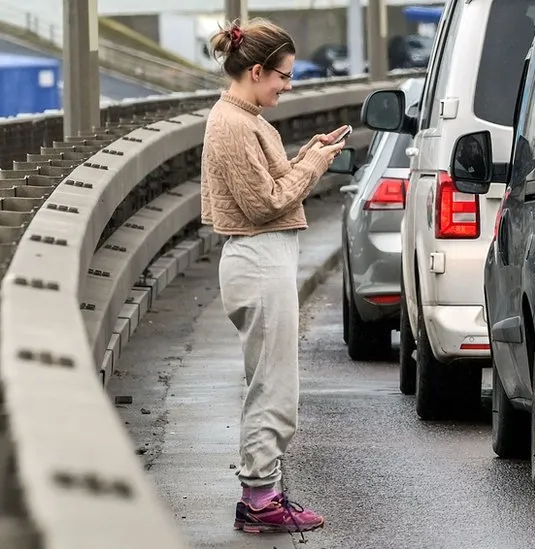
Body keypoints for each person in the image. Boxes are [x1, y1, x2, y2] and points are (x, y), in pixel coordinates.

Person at [201, 18, 347, 534]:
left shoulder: (248, 118)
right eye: (283, 76)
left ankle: (263, 492)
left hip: (263, 259)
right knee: (272, 386)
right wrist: (316, 168)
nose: (287, 86)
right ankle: (259, 500)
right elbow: (263, 203)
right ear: (257, 70)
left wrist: (310, 153)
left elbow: (272, 180)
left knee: (273, 381)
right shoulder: (234, 125)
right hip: (259, 258)